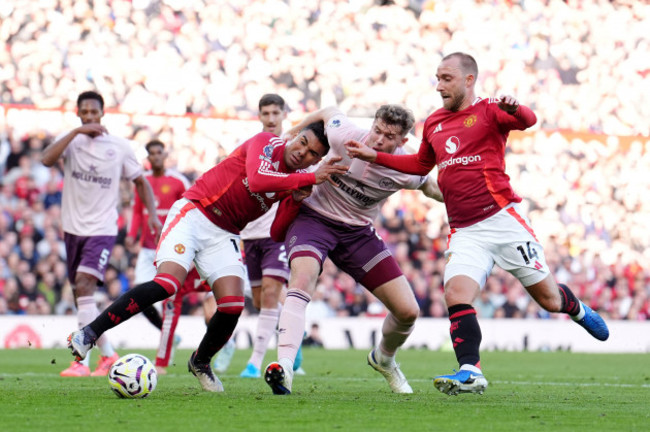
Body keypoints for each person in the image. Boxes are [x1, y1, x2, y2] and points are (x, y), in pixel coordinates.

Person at [345, 52, 610, 396]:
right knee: (455, 293)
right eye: (437, 78)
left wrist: (515, 108)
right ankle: (470, 370)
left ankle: (575, 308)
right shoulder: (435, 122)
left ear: (469, 80)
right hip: (464, 229)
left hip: (502, 219)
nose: (439, 85)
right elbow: (421, 164)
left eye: (447, 78)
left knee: (549, 300)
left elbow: (529, 120)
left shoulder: (489, 111)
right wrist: (375, 156)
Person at [67, 121, 348, 392]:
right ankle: (89, 333)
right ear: (295, 135)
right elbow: (257, 180)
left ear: (316, 160)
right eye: (303, 142)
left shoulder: (293, 181)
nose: (303, 152)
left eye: (313, 154)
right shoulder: (266, 142)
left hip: (225, 234)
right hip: (194, 214)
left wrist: (295, 202)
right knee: (167, 284)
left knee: (233, 304)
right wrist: (310, 177)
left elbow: (276, 232)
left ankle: (200, 362)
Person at [263, 104, 443, 395]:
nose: (378, 139)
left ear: (402, 142)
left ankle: (384, 358)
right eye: (377, 130)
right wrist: (294, 130)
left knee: (408, 311)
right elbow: (328, 110)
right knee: (302, 279)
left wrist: (470, 196)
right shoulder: (344, 134)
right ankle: (285, 368)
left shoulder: (405, 169)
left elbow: (434, 190)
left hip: (357, 233)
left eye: (388, 136)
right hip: (314, 219)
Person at [41, 91, 162, 377]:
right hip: (72, 228)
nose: (91, 118)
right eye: (85, 113)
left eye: (94, 113)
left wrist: (153, 214)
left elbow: (141, 182)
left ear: (103, 113)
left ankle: (82, 361)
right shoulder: (71, 142)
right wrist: (76, 132)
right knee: (79, 293)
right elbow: (47, 159)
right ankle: (107, 355)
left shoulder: (118, 147)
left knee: (84, 284)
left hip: (102, 229)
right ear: (78, 114)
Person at [212, 94, 306, 378]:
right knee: (259, 299)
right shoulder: (255, 146)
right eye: (266, 113)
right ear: (259, 116)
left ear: (284, 114)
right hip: (249, 234)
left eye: (276, 112)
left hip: (275, 234)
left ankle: (254, 362)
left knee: (268, 293)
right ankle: (293, 329)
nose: (271, 119)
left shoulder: (293, 148)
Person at [124, 139, 192, 374]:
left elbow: (190, 209)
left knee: (168, 296)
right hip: (146, 247)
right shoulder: (142, 182)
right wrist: (132, 234)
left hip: (170, 247)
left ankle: (168, 342)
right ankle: (170, 335)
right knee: (139, 297)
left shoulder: (178, 181)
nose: (155, 157)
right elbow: (136, 211)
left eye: (158, 153)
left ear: (165, 155)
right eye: (151, 153)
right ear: (148, 158)